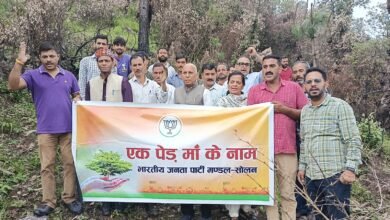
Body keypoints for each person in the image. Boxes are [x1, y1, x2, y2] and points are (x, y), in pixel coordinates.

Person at [8, 42, 83, 217]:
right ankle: (48, 201)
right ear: (40, 58)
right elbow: (12, 85)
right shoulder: (33, 75)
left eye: (52, 56)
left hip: (69, 129)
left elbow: (76, 95)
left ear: (58, 56)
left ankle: (69, 198)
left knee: (69, 164)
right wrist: (19, 62)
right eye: (44, 57)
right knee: (47, 166)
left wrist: (78, 100)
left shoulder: (69, 76)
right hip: (46, 130)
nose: (48, 60)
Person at [247, 55, 308, 220]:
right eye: (265, 66)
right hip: (263, 152)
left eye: (272, 66)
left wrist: (284, 109)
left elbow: (306, 114)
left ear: (280, 69)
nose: (268, 69)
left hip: (287, 149)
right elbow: (249, 120)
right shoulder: (254, 91)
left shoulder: (294, 88)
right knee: (269, 197)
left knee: (288, 194)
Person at [298, 67, 362, 220]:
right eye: (309, 82)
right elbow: (305, 141)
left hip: (335, 176)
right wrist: (302, 167)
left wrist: (350, 169)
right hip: (312, 178)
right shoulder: (305, 111)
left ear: (326, 83)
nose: (313, 84)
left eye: (317, 81)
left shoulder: (339, 106)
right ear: (304, 87)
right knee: (319, 216)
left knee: (338, 216)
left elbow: (353, 139)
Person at [85, 48, 132, 215]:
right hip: (99, 133)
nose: (104, 63)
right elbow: (88, 108)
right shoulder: (91, 83)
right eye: (100, 61)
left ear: (113, 62)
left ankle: (120, 199)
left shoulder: (122, 81)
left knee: (119, 165)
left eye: (107, 60)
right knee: (103, 165)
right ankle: (106, 200)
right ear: (97, 63)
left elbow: (129, 109)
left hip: (118, 132)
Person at [174, 63, 212, 220]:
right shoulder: (175, 92)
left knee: (204, 176)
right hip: (182, 143)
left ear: (197, 75)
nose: (187, 75)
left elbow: (210, 117)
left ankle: (205, 212)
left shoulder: (205, 92)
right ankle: (187, 211)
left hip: (201, 143)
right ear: (181, 75)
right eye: (184, 72)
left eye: (191, 72)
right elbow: (171, 116)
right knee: (184, 177)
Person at [291, 61, 313, 220]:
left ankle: (319, 208)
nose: (298, 74)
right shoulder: (291, 91)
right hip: (298, 140)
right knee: (298, 176)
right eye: (295, 71)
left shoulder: (318, 92)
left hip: (317, 142)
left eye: (301, 71)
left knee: (317, 176)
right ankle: (301, 210)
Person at [78, 34, 116, 100]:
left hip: (108, 99)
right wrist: (84, 100)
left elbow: (115, 82)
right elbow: (82, 82)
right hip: (90, 99)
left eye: (103, 44)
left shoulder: (111, 61)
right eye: (98, 43)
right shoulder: (85, 61)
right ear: (94, 44)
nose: (101, 46)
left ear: (107, 46)